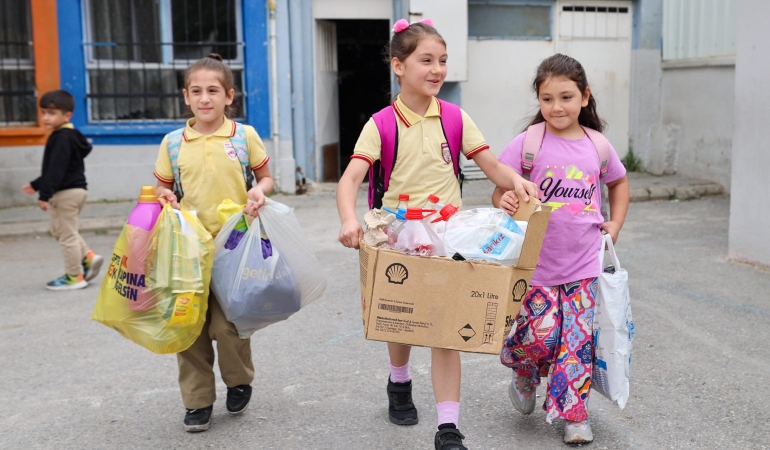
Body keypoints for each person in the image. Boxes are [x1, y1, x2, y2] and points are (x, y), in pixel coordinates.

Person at [336, 19, 536, 450]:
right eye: (426, 60)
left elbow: (492, 167)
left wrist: (516, 182)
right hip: (398, 238)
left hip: (449, 236)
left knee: (446, 327)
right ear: (398, 66)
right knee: (403, 321)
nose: (437, 69)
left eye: (442, 61)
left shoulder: (456, 118)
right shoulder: (381, 124)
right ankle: (399, 380)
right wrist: (349, 220)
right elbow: (350, 179)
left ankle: (448, 429)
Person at [493, 54, 630, 445]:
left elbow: (619, 185)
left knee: (576, 341)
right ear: (538, 100)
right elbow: (501, 187)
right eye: (547, 98)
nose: (557, 107)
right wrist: (503, 198)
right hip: (535, 262)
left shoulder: (597, 146)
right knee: (539, 336)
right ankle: (524, 370)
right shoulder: (528, 143)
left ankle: (574, 415)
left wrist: (615, 224)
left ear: (585, 97)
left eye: (566, 97)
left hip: (584, 261)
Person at [153, 53, 274, 432]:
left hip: (234, 246)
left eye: (213, 91)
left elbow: (266, 178)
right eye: (196, 91)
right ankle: (197, 401)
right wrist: (164, 196)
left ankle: (239, 380)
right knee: (188, 326)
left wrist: (260, 194)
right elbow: (163, 185)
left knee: (228, 325)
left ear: (229, 96)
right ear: (186, 97)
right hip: (188, 249)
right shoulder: (173, 142)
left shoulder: (244, 136)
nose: (205, 98)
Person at [21, 90, 103, 291]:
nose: (46, 117)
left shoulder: (60, 138)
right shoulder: (72, 136)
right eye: (43, 113)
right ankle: (88, 257)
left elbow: (56, 169)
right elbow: (58, 169)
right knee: (61, 230)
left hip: (65, 193)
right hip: (77, 190)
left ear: (67, 115)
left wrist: (45, 194)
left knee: (66, 235)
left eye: (51, 113)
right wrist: (37, 184)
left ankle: (75, 276)